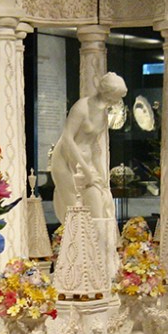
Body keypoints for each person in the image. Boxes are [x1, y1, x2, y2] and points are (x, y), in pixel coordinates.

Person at [50, 72, 127, 223]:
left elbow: (95, 146)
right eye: (118, 96)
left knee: (98, 200)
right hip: (65, 161)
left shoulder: (103, 114)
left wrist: (101, 173)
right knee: (73, 207)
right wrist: (86, 169)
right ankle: (73, 243)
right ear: (108, 93)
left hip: (85, 160)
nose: (118, 101)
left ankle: (95, 244)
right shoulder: (81, 107)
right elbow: (67, 138)